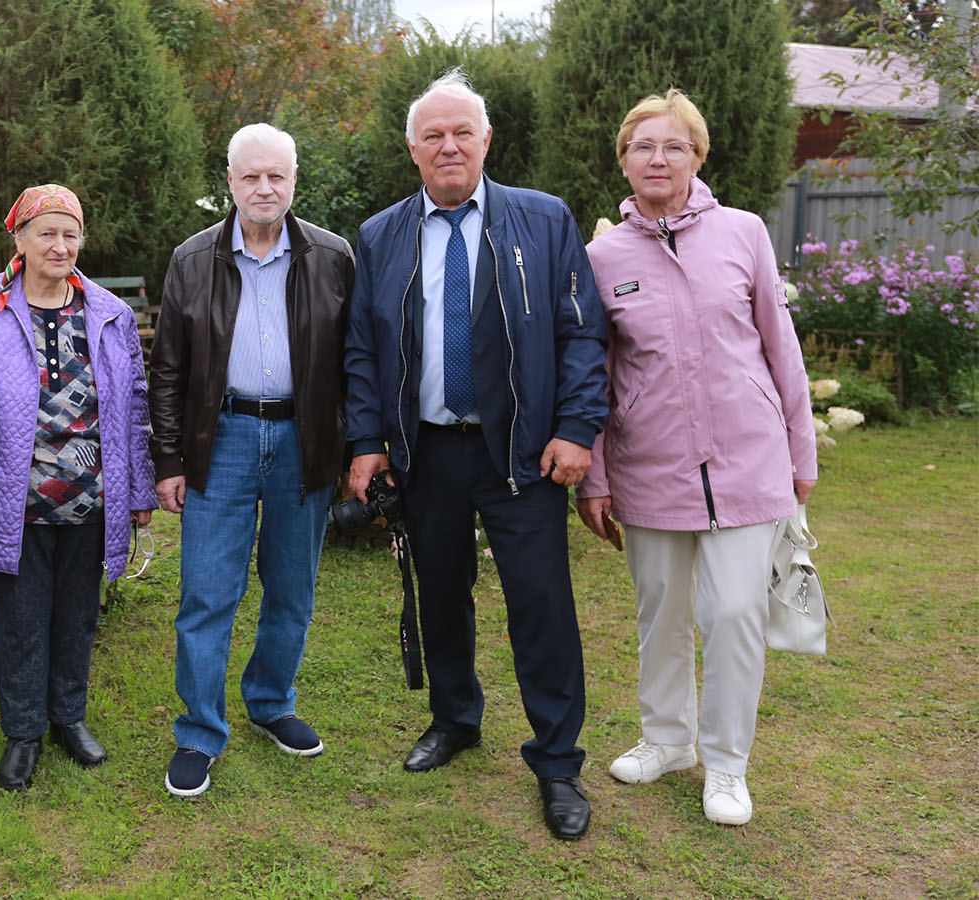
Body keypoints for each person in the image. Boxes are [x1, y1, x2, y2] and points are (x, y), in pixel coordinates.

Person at [343, 69, 609, 841]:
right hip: (425, 451)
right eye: (433, 135)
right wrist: (366, 441)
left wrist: (577, 427)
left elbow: (582, 333)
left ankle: (556, 761)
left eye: (463, 132)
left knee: (541, 604)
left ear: (487, 141)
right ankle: (455, 719)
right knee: (440, 594)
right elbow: (363, 349)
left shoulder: (544, 219)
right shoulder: (381, 235)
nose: (449, 146)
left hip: (521, 452)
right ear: (412, 149)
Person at [575, 89, 817, 827]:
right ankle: (667, 740)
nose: (659, 158)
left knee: (736, 612)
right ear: (624, 160)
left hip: (748, 462)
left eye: (674, 146)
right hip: (649, 467)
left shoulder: (743, 233)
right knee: (662, 612)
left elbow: (781, 347)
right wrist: (594, 477)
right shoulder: (601, 257)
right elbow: (594, 375)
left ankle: (727, 765)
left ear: (697, 157)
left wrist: (801, 450)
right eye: (643, 146)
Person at [149, 123, 354, 798]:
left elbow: (356, 363)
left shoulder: (332, 257)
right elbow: (168, 368)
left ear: (294, 180)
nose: (264, 188)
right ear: (230, 182)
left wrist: (353, 447)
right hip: (223, 439)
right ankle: (198, 733)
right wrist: (169, 458)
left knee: (291, 589)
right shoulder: (191, 260)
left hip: (304, 440)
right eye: (251, 176)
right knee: (207, 593)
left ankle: (271, 701)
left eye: (276, 176)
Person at [0, 184, 157, 791]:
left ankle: (68, 718)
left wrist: (139, 490)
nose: (60, 245)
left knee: (78, 617)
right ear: (20, 238)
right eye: (47, 233)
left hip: (90, 497)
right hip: (12, 498)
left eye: (70, 234)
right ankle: (23, 732)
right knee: (20, 620)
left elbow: (134, 406)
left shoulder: (108, 312)